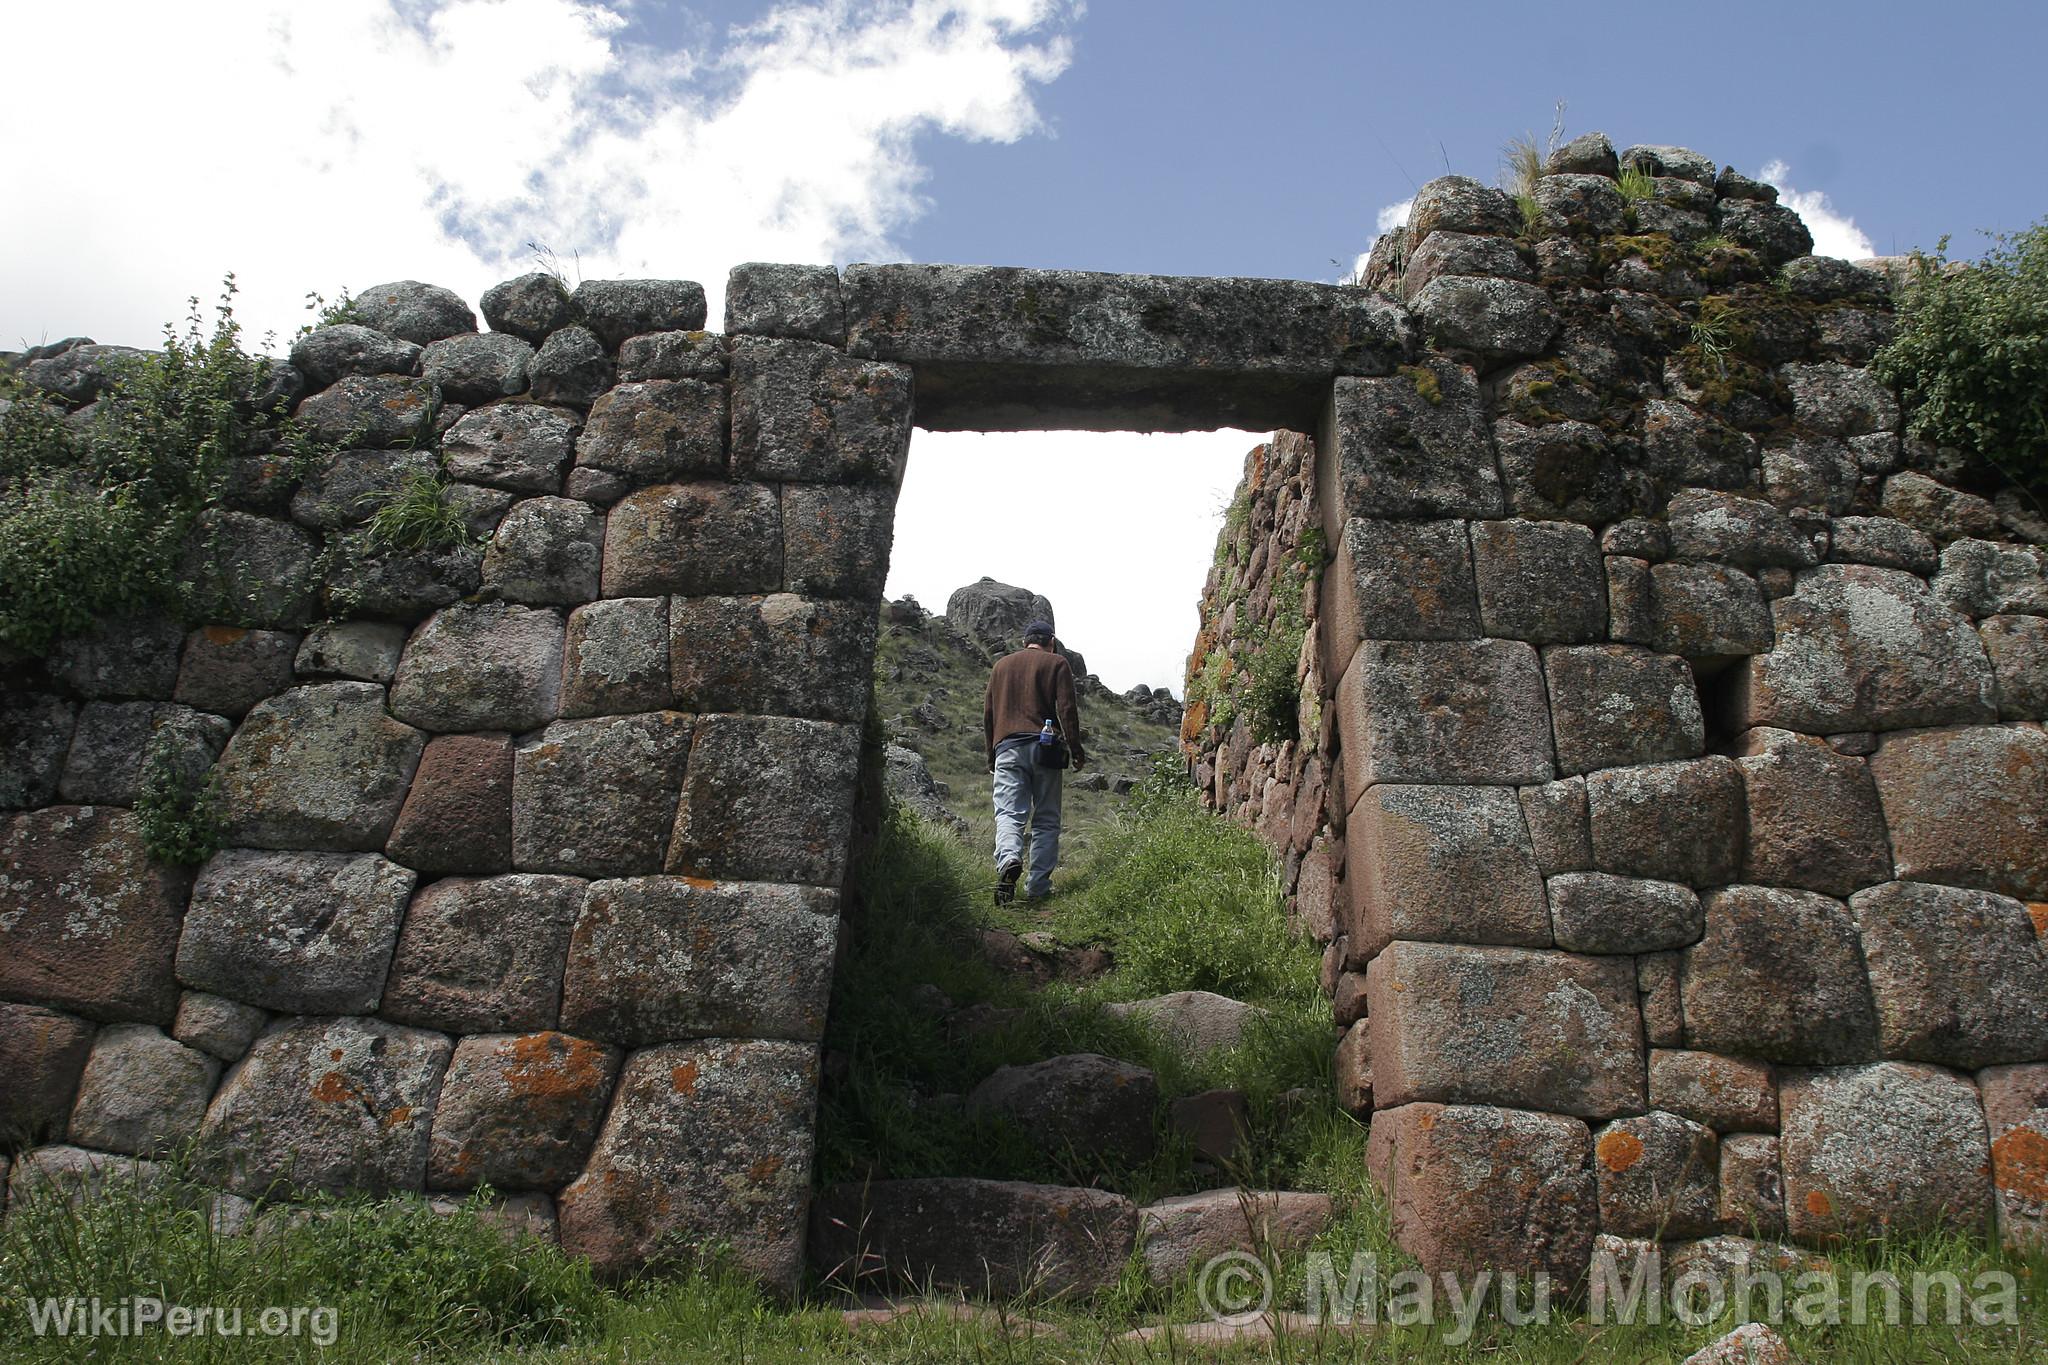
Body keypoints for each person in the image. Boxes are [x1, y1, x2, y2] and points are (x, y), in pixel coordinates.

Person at [983, 620, 1087, 904]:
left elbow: (989, 714)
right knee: (1046, 819)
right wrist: (1076, 749)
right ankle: (1038, 888)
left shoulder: (1000, 667)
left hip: (1006, 747)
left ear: (1024, 642)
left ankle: (1008, 859)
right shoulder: (1057, 663)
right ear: (1050, 642)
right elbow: (1066, 709)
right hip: (1046, 748)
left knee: (1008, 814)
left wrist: (991, 754)